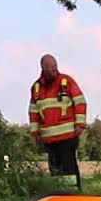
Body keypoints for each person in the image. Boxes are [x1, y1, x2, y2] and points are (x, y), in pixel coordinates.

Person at [28, 54, 87, 190]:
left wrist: (80, 124)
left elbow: (80, 102)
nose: (54, 69)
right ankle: (59, 196)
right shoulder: (36, 88)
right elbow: (34, 112)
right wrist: (35, 132)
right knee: (55, 171)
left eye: (55, 66)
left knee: (69, 169)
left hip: (67, 135)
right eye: (51, 67)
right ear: (43, 68)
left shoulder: (66, 81)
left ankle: (73, 196)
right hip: (49, 138)